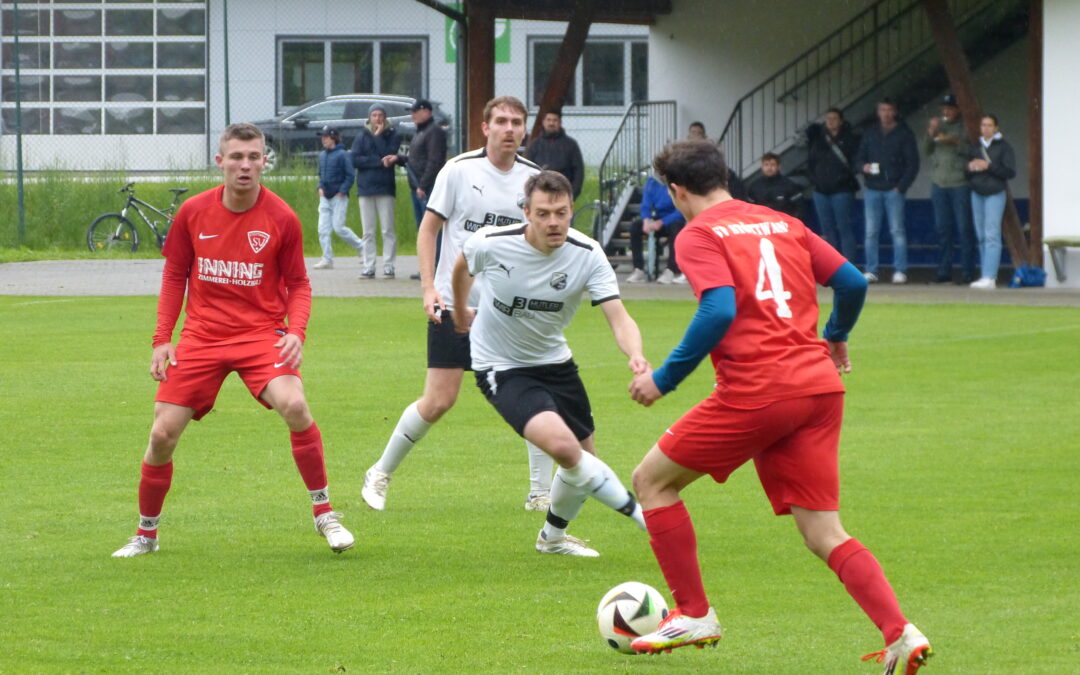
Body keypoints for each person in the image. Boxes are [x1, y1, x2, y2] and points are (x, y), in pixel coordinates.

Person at [624, 140, 932, 675]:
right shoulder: (780, 220)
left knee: (651, 481)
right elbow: (853, 281)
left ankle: (695, 613)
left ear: (676, 191)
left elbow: (718, 309)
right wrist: (835, 334)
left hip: (759, 391)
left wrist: (664, 378)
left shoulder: (697, 233)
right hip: (817, 389)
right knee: (824, 532)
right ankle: (900, 633)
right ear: (723, 175)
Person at [111, 123, 354, 558]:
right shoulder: (193, 212)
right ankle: (146, 535)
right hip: (202, 336)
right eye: (237, 157)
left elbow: (299, 283)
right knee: (162, 434)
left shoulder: (282, 217)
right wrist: (162, 339)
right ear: (220, 161)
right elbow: (174, 275)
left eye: (254, 156)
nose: (246, 165)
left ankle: (325, 514)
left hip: (261, 334)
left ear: (265, 162)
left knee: (296, 406)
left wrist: (296, 332)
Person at [362, 96, 555, 513]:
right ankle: (380, 472)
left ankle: (539, 492)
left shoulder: (535, 179)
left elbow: (543, 243)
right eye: (500, 121)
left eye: (516, 122)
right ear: (484, 128)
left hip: (510, 312)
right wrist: (429, 288)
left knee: (534, 397)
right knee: (438, 401)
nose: (509, 128)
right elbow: (429, 230)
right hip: (455, 307)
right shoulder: (459, 170)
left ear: (525, 130)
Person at [450, 170, 649, 556]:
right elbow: (461, 267)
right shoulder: (491, 243)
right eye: (543, 213)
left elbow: (618, 316)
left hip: (555, 362)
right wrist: (460, 311)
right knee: (565, 449)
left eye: (560, 212)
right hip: (499, 364)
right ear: (526, 211)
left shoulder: (588, 253)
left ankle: (553, 538)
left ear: (572, 210)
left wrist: (636, 354)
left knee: (584, 457)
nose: (553, 222)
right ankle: (645, 518)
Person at [855, 98, 919, 284]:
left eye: (889, 110)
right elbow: (858, 158)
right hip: (872, 188)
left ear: (894, 112)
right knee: (871, 232)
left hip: (894, 189)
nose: (886, 113)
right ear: (878, 111)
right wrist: (863, 167)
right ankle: (871, 270)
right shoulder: (871, 133)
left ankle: (900, 270)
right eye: (882, 109)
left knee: (897, 230)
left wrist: (901, 186)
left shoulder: (904, 134)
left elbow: (912, 163)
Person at [387, 99, 449, 281]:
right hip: (418, 187)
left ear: (427, 112)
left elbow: (435, 161)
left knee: (431, 230)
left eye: (416, 111)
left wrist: (423, 185)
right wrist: (399, 158)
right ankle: (427, 268)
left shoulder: (434, 132)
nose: (413, 114)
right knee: (423, 229)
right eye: (412, 111)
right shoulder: (421, 132)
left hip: (428, 189)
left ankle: (435, 269)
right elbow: (417, 159)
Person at [926, 95, 976, 284]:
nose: (946, 112)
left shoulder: (965, 126)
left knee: (964, 228)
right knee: (942, 229)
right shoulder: (939, 126)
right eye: (944, 108)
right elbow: (926, 150)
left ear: (958, 110)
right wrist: (931, 132)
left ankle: (967, 272)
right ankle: (943, 271)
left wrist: (955, 142)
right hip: (939, 183)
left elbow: (971, 150)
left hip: (959, 183)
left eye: (950, 108)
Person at [966, 114, 1016, 290]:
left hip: (995, 192)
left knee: (992, 234)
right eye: (983, 125)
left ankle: (990, 276)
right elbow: (966, 172)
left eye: (989, 125)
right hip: (977, 192)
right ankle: (984, 274)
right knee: (981, 235)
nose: (986, 128)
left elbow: (1010, 172)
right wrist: (971, 168)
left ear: (996, 128)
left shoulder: (1004, 147)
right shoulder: (975, 147)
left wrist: (989, 166)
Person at [805, 108, 860, 262]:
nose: (830, 121)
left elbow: (854, 163)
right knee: (827, 230)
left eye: (834, 118)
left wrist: (842, 179)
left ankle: (849, 264)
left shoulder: (849, 140)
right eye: (828, 118)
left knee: (844, 228)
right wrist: (814, 180)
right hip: (821, 191)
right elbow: (811, 163)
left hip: (842, 190)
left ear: (841, 121)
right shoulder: (817, 140)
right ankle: (831, 265)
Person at [352, 103, 400, 279]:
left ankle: (389, 266)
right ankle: (369, 266)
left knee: (387, 229)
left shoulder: (392, 135)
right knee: (368, 231)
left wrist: (378, 136)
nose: (377, 119)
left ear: (385, 118)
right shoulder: (361, 136)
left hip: (385, 188)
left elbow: (388, 156)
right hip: (365, 188)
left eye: (380, 115)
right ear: (369, 117)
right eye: (374, 115)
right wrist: (377, 162)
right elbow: (355, 160)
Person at [311, 127, 362, 270]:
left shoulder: (343, 154)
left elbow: (350, 175)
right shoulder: (322, 155)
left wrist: (342, 191)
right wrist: (320, 187)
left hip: (338, 197)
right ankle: (327, 259)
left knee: (339, 228)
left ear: (333, 138)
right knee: (323, 229)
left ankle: (362, 247)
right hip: (325, 197)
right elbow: (320, 174)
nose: (323, 140)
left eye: (326, 137)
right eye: (322, 137)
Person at [626, 174, 687, 284]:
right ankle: (638, 269)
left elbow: (682, 210)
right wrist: (646, 220)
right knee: (635, 226)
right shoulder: (652, 181)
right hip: (658, 217)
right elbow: (646, 204)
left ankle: (671, 270)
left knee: (676, 228)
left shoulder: (679, 180)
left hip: (673, 219)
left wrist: (662, 222)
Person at [525, 109, 585, 200]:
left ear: (560, 123)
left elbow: (578, 171)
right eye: (548, 120)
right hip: (540, 193)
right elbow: (527, 169)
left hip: (563, 192)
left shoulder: (571, 145)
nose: (551, 123)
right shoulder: (535, 145)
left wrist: (572, 194)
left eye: (554, 120)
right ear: (543, 122)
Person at [747, 152, 803, 218]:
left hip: (784, 224)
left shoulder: (789, 185)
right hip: (762, 224)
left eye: (773, 165)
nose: (769, 168)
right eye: (766, 165)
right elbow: (749, 208)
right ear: (762, 167)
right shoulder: (754, 186)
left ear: (778, 167)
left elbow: (800, 208)